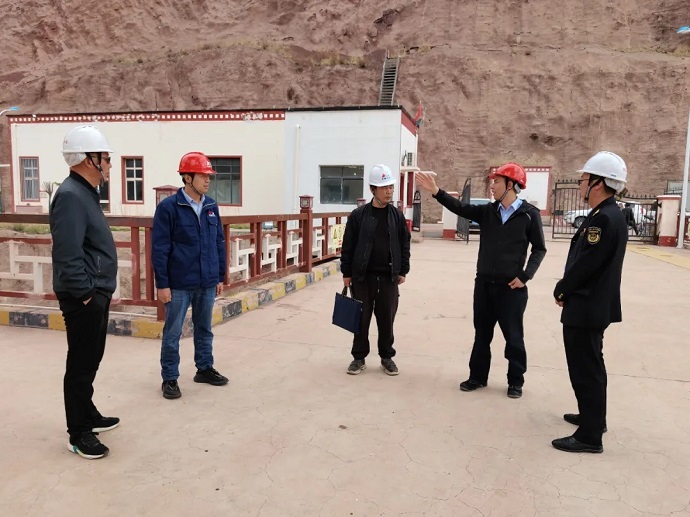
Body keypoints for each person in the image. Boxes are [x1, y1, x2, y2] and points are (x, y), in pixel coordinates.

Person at [416, 163, 546, 398]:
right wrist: (436, 191)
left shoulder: (529, 215)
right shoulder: (488, 212)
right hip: (484, 285)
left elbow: (539, 249)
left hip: (511, 289)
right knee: (482, 335)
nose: (492, 186)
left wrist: (526, 276)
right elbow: (460, 207)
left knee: (514, 337)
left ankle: (515, 381)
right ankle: (477, 377)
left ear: (511, 185)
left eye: (496, 182)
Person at [51, 125, 120, 459]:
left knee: (91, 358)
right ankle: (78, 432)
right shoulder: (70, 196)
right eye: (105, 157)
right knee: (80, 363)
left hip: (95, 291)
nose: (109, 164)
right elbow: (68, 252)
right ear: (88, 159)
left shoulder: (85, 192)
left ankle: (88, 413)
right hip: (84, 295)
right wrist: (87, 293)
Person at [552, 151, 628, 454]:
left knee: (586, 369)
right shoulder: (607, 214)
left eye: (584, 179)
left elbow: (586, 265)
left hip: (586, 306)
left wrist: (562, 289)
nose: (581, 185)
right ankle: (593, 418)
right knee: (592, 364)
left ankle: (589, 436)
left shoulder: (604, 219)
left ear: (598, 183)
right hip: (593, 304)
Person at [152, 152, 228, 399]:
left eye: (209, 176)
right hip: (179, 284)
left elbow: (218, 242)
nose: (207, 180)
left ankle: (204, 368)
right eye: (202, 176)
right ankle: (170, 378)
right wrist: (162, 284)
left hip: (207, 281)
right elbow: (160, 248)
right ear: (187, 177)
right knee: (173, 332)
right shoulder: (168, 208)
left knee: (204, 327)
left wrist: (219, 276)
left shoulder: (211, 206)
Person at [340, 164, 411, 376]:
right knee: (361, 320)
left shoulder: (396, 216)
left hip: (388, 278)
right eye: (384, 187)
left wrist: (403, 270)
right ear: (373, 189)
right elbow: (348, 246)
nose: (389, 191)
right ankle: (358, 358)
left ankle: (386, 357)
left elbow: (404, 244)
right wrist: (346, 273)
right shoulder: (358, 216)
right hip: (363, 278)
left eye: (391, 187)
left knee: (386, 320)